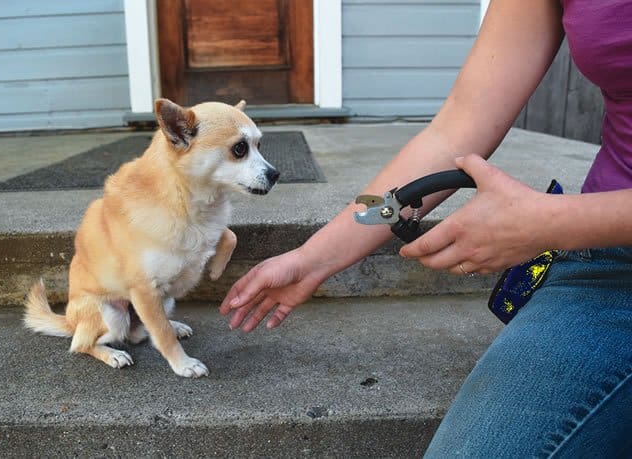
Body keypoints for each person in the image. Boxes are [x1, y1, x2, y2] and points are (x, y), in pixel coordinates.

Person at [219, 0, 632, 455]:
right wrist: (316, 256)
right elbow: (454, 132)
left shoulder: (556, 225)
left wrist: (553, 222)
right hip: (606, 264)